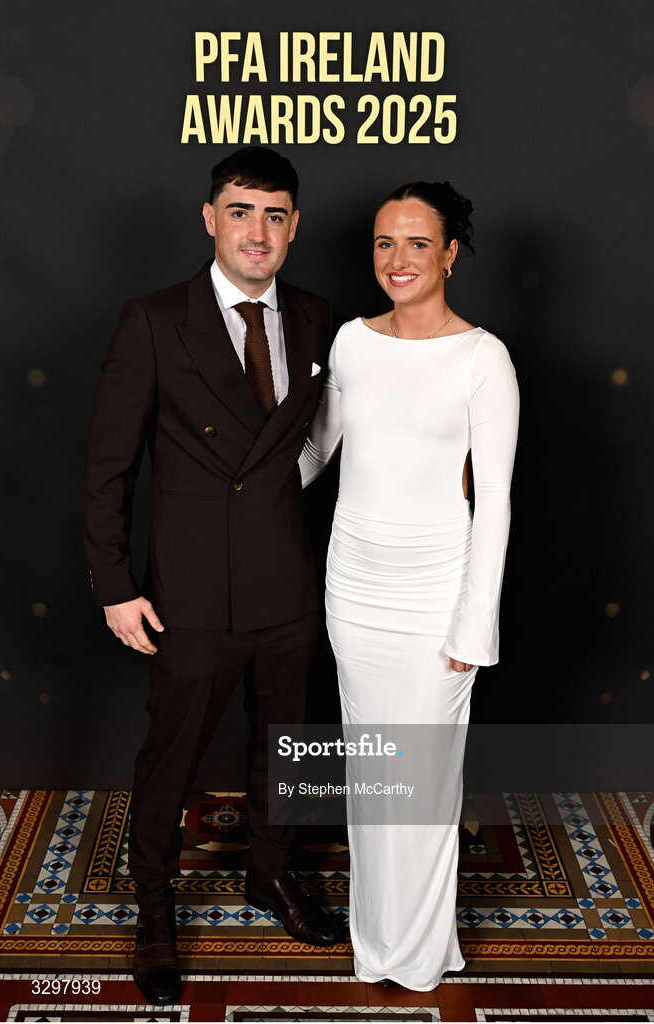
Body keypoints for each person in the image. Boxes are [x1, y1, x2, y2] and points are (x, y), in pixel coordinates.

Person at [83, 146, 338, 1007]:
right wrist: (114, 583)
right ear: (209, 219)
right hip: (188, 593)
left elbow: (315, 448)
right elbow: (108, 467)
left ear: (293, 227)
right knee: (172, 762)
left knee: (286, 751)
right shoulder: (153, 319)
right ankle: (153, 911)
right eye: (240, 211)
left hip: (287, 584)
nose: (256, 231)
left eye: (273, 215)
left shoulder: (316, 321)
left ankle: (270, 876)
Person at [299, 181, 519, 990]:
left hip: (436, 598)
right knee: (374, 777)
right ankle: (378, 949)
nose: (398, 260)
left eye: (417, 243)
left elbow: (493, 499)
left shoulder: (482, 358)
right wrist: (231, 487)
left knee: (422, 788)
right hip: (352, 591)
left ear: (449, 253)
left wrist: (473, 626)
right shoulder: (352, 342)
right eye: (385, 243)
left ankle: (420, 959)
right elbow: (317, 451)